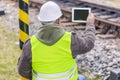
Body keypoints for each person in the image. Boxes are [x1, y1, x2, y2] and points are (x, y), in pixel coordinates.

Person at [17, 1, 95, 80]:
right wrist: (90, 24)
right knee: (82, 78)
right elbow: (89, 43)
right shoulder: (71, 40)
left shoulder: (30, 44)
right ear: (58, 20)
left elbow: (22, 70)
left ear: (41, 21)